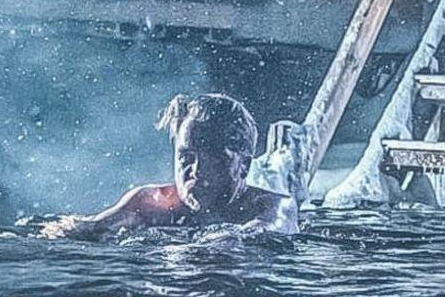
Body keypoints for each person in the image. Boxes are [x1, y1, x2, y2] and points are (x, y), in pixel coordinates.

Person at [42, 93, 297, 237]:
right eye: (187, 157)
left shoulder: (274, 206)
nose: (196, 171)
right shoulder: (151, 203)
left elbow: (264, 231)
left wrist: (226, 242)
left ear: (243, 166)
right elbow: (86, 229)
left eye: (213, 159)